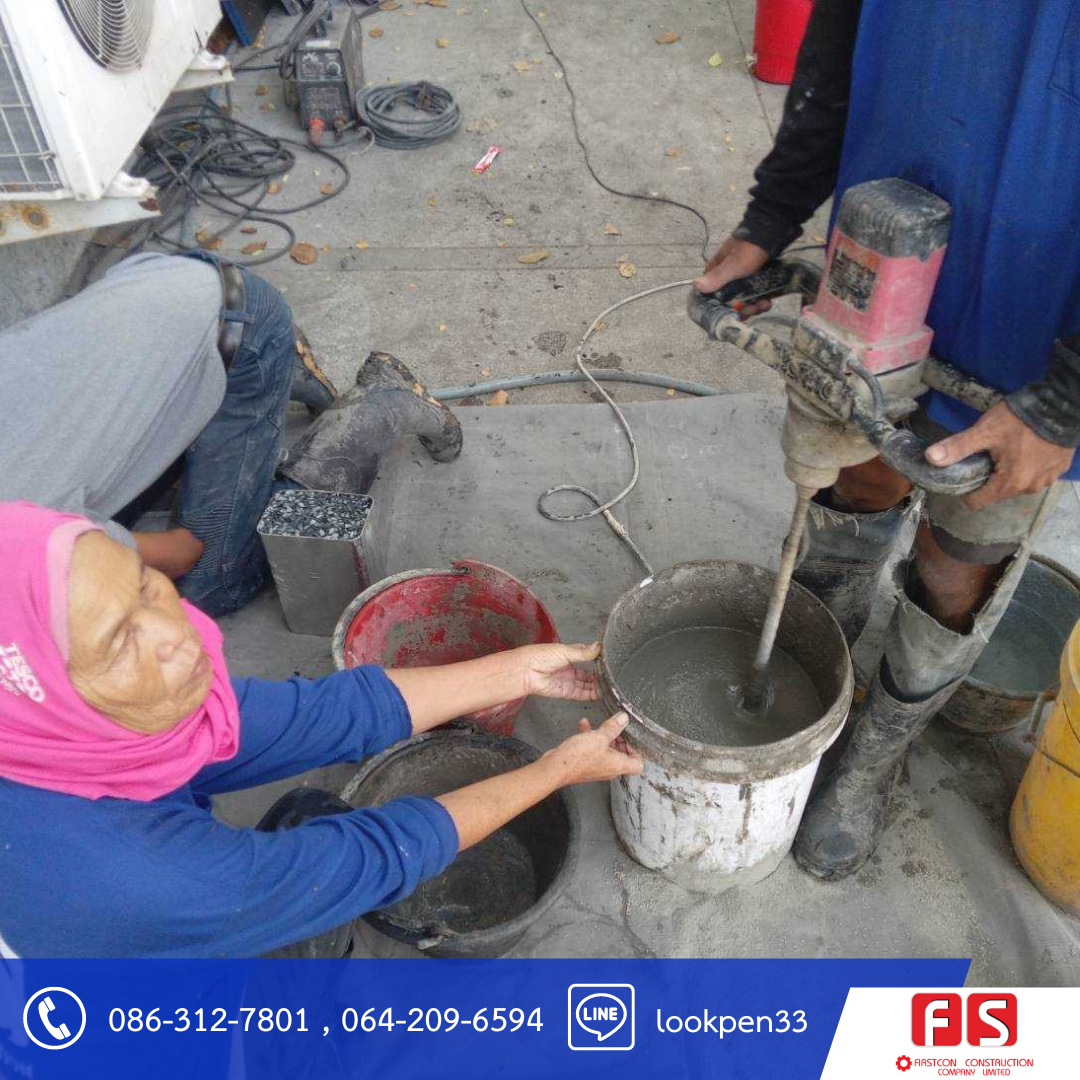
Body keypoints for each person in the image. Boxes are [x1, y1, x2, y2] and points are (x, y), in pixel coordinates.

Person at [694, 0, 1080, 879]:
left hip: (1035, 309)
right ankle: (814, 674)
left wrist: (1066, 401)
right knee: (858, 477)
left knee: (961, 555)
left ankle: (874, 751)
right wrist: (770, 214)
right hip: (880, 254)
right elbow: (838, 44)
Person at [0, 501, 642, 958]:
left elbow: (320, 715)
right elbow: (382, 852)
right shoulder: (139, 877)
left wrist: (518, 672)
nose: (177, 632)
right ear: (39, 688)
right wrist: (556, 770)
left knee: (310, 808)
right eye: (117, 642)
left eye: (146, 585)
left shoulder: (52, 725)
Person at [0, 252, 462, 617]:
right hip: (165, 283)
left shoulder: (23, 535)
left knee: (211, 584)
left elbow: (182, 554)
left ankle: (382, 400)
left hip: (233, 326)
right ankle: (276, 366)